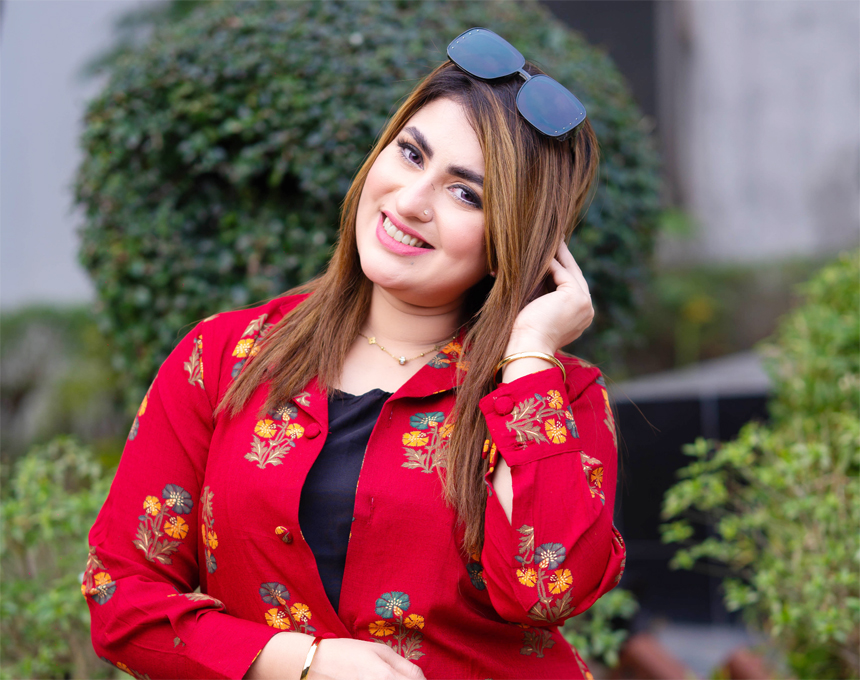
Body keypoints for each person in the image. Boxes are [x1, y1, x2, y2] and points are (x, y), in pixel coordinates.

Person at [83, 27, 625, 680]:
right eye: (411, 154)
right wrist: (304, 662)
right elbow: (122, 596)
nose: (411, 202)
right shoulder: (224, 358)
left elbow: (548, 590)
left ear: (514, 239)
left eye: (466, 193)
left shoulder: (558, 397)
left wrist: (530, 352)